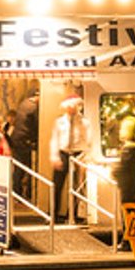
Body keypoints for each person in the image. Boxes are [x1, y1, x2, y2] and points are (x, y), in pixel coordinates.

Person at [50, 93, 91, 224]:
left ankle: (72, 214)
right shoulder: (60, 122)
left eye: (73, 107)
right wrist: (54, 156)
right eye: (69, 107)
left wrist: (84, 155)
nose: (71, 109)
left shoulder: (84, 122)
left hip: (77, 154)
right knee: (57, 186)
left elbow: (89, 141)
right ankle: (53, 214)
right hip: (63, 153)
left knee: (76, 187)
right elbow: (55, 139)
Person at [6, 92, 40, 205]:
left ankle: (17, 193)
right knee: (26, 169)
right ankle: (25, 194)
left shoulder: (24, 104)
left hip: (17, 139)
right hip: (24, 141)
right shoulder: (33, 107)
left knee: (19, 169)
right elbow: (36, 125)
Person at [113, 116, 135, 211]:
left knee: (127, 206)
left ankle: (128, 225)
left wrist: (115, 172)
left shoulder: (129, 149)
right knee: (131, 204)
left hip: (127, 184)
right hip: (132, 183)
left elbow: (124, 167)